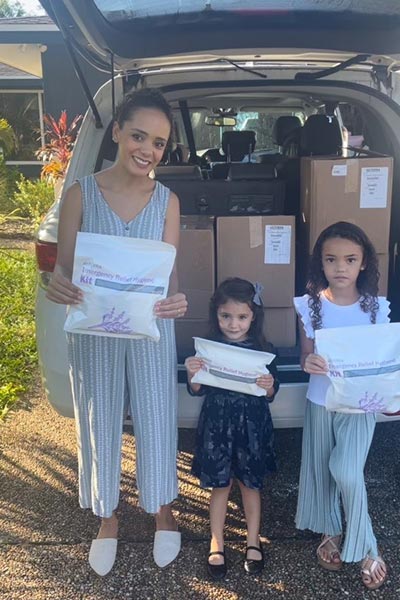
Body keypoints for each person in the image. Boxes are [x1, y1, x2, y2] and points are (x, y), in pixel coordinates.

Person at [46, 89, 188, 576]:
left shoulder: (168, 201)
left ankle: (163, 511)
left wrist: (178, 300)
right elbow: (63, 271)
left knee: (156, 416)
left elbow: (170, 280)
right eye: (139, 136)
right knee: (99, 418)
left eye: (160, 143)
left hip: (149, 329)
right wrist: (57, 286)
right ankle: (107, 516)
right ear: (118, 133)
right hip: (93, 331)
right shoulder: (80, 193)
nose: (148, 150)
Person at [293, 221, 390, 591]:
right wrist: (309, 363)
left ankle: (367, 546)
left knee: (346, 471)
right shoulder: (311, 305)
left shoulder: (375, 309)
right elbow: (304, 355)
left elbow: (381, 363)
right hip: (321, 401)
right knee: (321, 470)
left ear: (364, 262)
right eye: (331, 259)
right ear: (321, 262)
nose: (340, 267)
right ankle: (331, 530)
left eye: (350, 259)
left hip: (359, 406)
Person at [185, 278, 280, 580]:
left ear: (254, 316)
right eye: (226, 316)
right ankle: (217, 541)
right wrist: (193, 372)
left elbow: (271, 393)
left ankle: (253, 540)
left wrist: (269, 386)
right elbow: (197, 389)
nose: (234, 324)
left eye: (242, 317)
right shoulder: (208, 350)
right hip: (217, 425)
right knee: (220, 485)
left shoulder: (264, 350)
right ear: (216, 314)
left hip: (252, 426)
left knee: (250, 485)